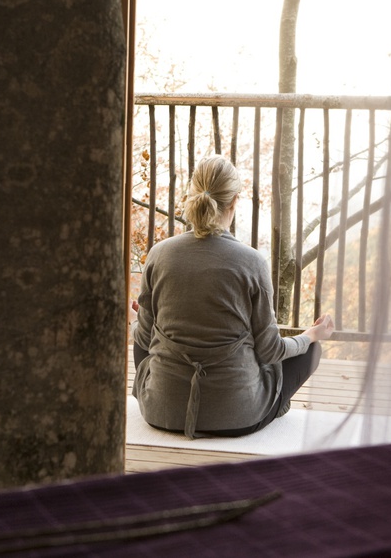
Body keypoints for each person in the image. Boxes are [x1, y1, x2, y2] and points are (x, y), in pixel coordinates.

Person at [131, 154, 334, 439]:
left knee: (143, 342)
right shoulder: (252, 263)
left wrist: (142, 319)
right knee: (310, 351)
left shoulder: (158, 254)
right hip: (238, 416)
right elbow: (269, 351)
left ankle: (170, 397)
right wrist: (311, 335)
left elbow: (142, 342)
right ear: (235, 202)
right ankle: (272, 405)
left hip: (160, 412)